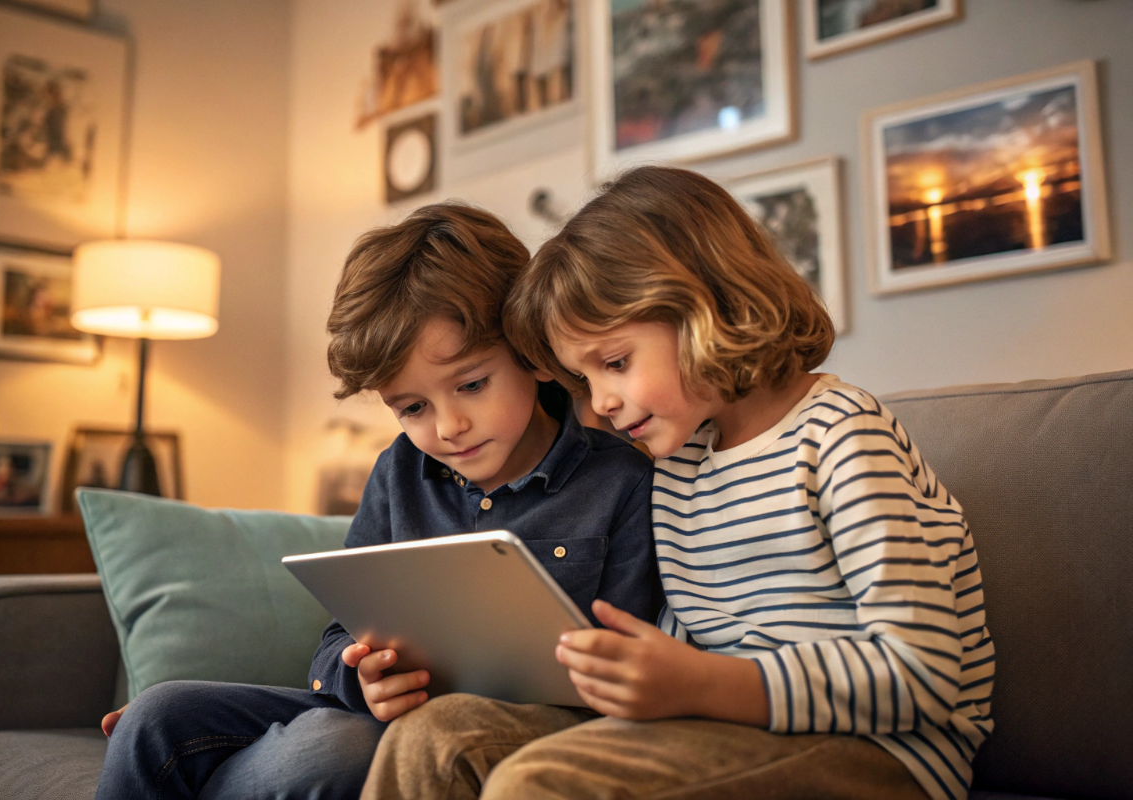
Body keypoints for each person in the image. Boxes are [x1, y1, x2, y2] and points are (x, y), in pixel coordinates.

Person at [360, 166, 995, 800]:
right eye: (584, 380)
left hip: (885, 756)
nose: (601, 403)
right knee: (434, 737)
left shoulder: (840, 436)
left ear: (707, 310)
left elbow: (925, 670)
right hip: (718, 729)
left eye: (615, 363)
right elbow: (682, 639)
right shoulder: (679, 464)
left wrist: (700, 684)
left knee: (539, 783)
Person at [93, 203, 660, 800]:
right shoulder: (400, 471)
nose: (449, 427)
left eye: (471, 385)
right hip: (374, 713)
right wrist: (358, 677)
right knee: (156, 714)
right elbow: (337, 640)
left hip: (508, 732)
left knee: (326, 749)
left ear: (532, 353)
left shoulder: (619, 481)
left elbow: (628, 672)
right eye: (412, 408)